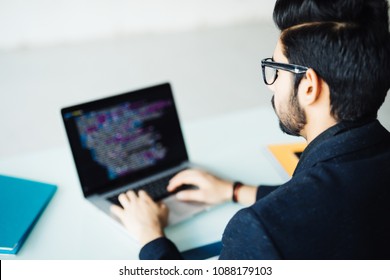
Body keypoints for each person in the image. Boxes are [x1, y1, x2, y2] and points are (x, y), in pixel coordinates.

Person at [111, 0, 390, 259]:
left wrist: (151, 238)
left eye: (277, 69)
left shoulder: (258, 229)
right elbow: (327, 200)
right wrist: (233, 190)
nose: (271, 84)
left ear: (309, 87)